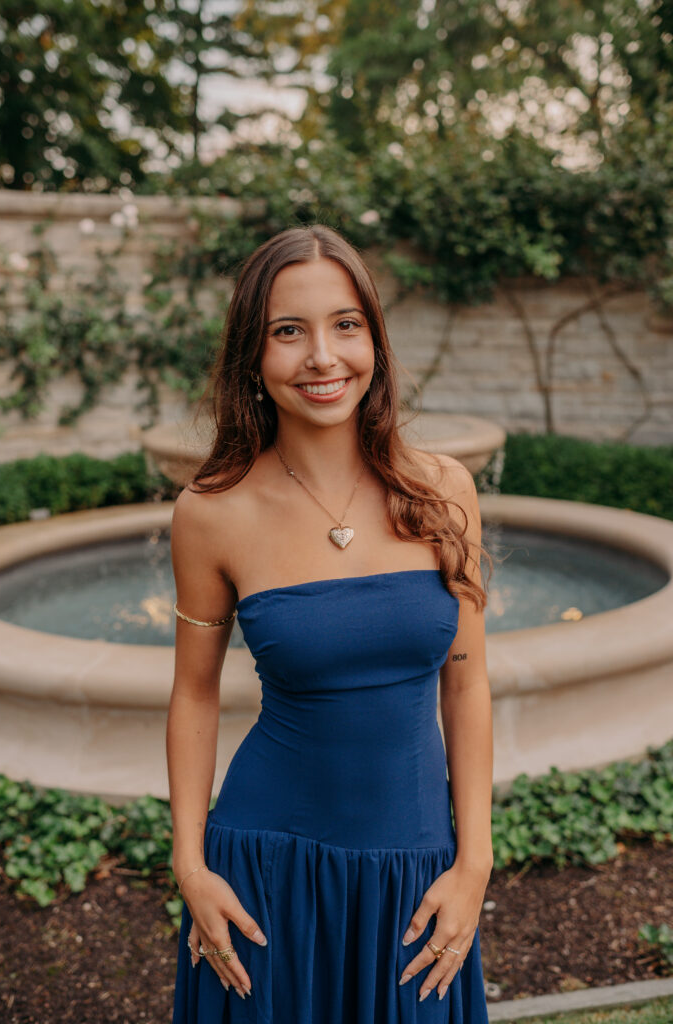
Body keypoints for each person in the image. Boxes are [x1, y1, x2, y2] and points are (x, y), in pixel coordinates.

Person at [167, 223, 494, 1023]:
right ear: (253, 354)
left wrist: (473, 860)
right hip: (263, 868)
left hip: (415, 868)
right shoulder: (212, 513)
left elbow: (467, 679)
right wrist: (190, 862)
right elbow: (193, 695)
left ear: (373, 340)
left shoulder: (443, 489)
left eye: (345, 324)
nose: (322, 357)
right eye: (289, 331)